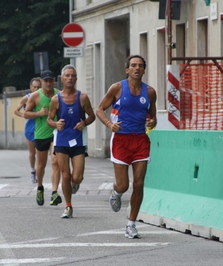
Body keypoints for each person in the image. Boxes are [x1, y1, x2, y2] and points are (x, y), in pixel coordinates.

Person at [95, 55, 157, 239]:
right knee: (124, 185)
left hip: (140, 141)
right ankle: (116, 192)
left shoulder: (150, 92)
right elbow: (99, 109)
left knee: (139, 183)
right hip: (121, 139)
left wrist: (152, 122)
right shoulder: (117, 88)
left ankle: (131, 224)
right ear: (127, 69)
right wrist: (108, 124)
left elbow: (152, 118)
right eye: (133, 65)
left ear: (144, 70)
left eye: (140, 66)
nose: (137, 68)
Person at [47, 65, 96, 218]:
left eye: (72, 75)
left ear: (76, 79)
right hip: (61, 141)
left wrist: (84, 123)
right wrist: (55, 124)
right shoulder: (56, 99)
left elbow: (92, 116)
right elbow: (49, 119)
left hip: (78, 141)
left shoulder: (82, 97)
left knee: (77, 177)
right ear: (61, 79)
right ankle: (68, 206)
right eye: (67, 75)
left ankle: (75, 185)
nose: (69, 78)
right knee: (65, 175)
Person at [24, 70, 62, 206]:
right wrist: (39, 113)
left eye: (51, 80)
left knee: (55, 161)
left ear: (54, 81)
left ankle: (54, 192)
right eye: (46, 81)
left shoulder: (59, 95)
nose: (48, 83)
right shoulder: (35, 96)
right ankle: (40, 187)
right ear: (41, 82)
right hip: (40, 134)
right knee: (41, 165)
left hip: (56, 133)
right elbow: (26, 114)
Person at [14, 77, 41, 183]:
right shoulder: (27, 98)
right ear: (31, 87)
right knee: (32, 152)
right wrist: (24, 115)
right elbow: (16, 111)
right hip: (30, 128)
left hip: (40, 127)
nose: (36, 89)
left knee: (39, 152)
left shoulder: (42, 97)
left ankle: (39, 172)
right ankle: (32, 170)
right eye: (34, 87)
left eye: (38, 87)